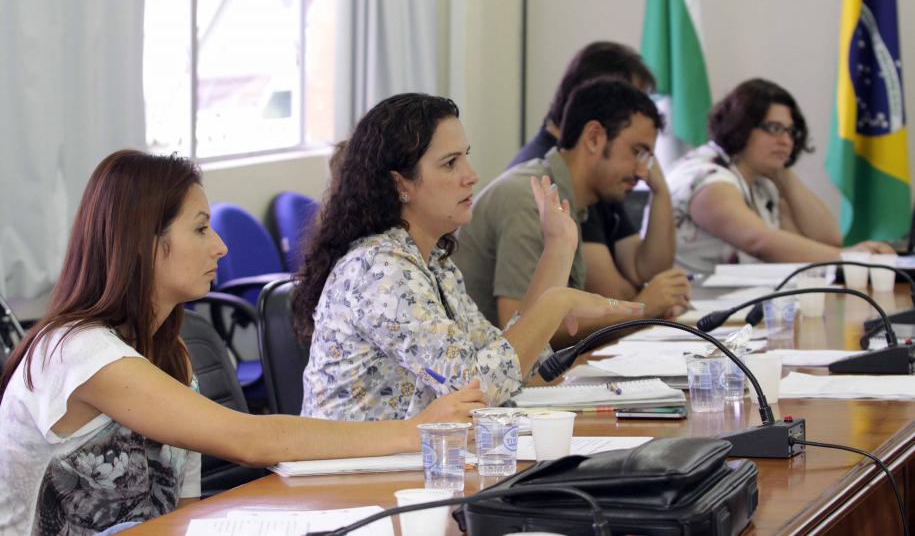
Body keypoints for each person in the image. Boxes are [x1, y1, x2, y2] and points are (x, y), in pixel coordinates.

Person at [0, 150, 487, 535]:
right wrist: (414, 432)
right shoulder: (78, 352)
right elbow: (253, 440)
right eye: (199, 229)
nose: (220, 246)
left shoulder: (171, 356)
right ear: (144, 242)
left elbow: (181, 510)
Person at [293, 93, 640, 422]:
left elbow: (512, 369)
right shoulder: (381, 269)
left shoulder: (433, 262)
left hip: (409, 466)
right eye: (450, 163)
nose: (471, 175)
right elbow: (475, 387)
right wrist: (557, 303)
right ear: (401, 184)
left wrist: (558, 248)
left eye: (466, 156)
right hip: (351, 475)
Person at [455, 78, 678, 349]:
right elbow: (522, 331)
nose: (643, 172)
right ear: (594, 137)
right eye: (637, 151)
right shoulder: (531, 197)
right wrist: (641, 309)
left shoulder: (573, 200)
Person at [509, 41, 689, 320]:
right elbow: (611, 297)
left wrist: (661, 190)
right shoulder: (549, 181)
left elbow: (644, 270)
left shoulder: (604, 173)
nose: (642, 170)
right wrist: (645, 303)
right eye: (630, 100)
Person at [666, 78, 894, 275]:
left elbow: (826, 239)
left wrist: (783, 175)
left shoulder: (761, 183)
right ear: (741, 125)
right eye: (774, 128)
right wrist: (849, 258)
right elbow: (758, 241)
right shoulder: (705, 175)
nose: (786, 140)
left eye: (790, 131)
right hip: (689, 314)